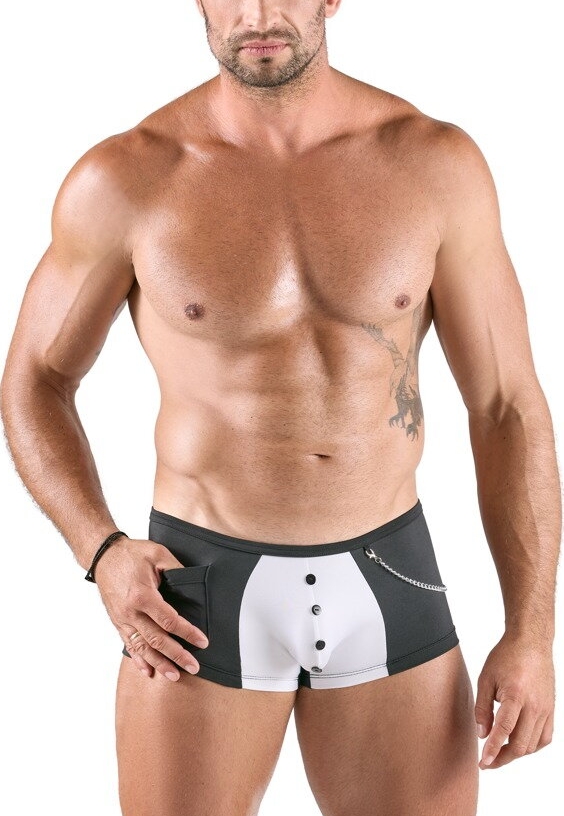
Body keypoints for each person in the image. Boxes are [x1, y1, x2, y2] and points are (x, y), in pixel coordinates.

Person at [0, 1, 559, 814]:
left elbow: (507, 405)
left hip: (389, 572)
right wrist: (102, 548)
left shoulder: (432, 165)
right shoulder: (127, 178)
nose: (258, 13)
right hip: (196, 588)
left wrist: (532, 632)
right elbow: (35, 379)